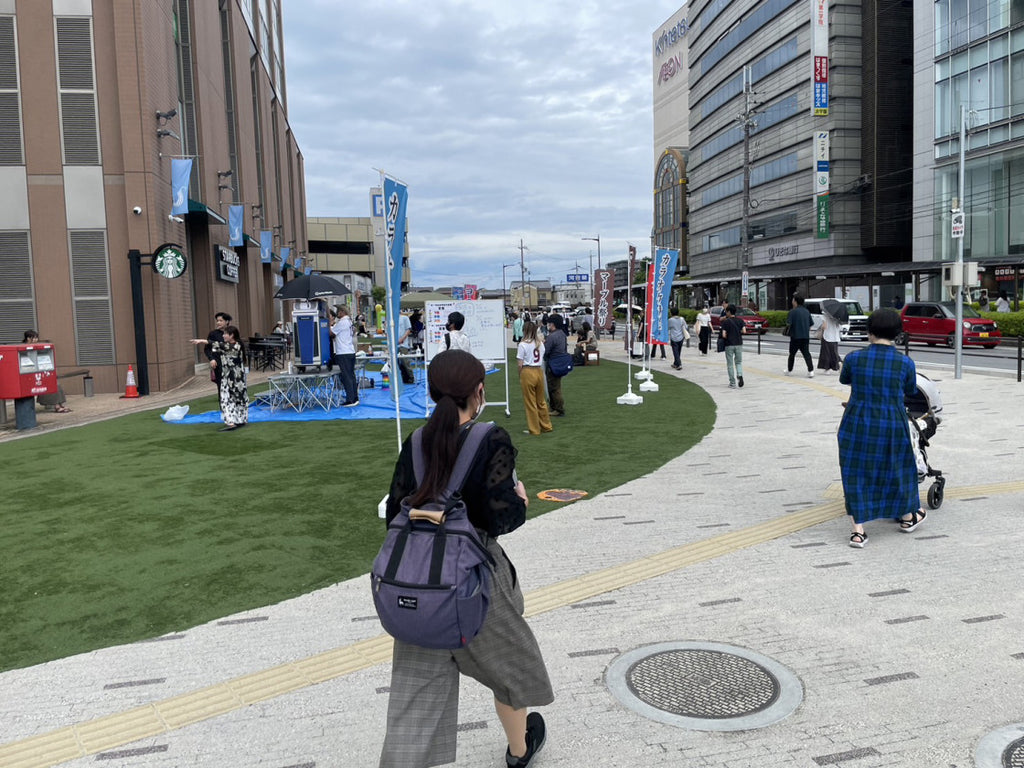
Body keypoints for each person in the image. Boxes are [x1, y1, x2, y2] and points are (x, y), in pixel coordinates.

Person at [379, 350, 553, 767]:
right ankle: (518, 751)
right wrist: (521, 500)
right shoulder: (491, 438)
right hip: (477, 577)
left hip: (418, 581)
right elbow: (502, 516)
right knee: (506, 670)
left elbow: (393, 513)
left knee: (415, 691)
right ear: (478, 392)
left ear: (433, 391)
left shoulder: (416, 441)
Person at [838, 308, 926, 548]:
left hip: (856, 421)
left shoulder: (854, 358)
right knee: (898, 466)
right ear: (897, 333)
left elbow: (844, 379)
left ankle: (858, 532)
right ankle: (908, 516)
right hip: (891, 423)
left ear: (869, 331)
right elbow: (909, 390)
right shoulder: (905, 363)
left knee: (855, 471)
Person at [190, 325, 248, 431]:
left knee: (227, 399)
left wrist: (201, 341)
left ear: (232, 335)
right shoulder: (239, 345)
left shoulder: (231, 346)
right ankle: (240, 420)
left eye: (226, 334)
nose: (224, 335)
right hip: (238, 378)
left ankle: (231, 422)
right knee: (239, 398)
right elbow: (217, 346)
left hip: (230, 378)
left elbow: (215, 344)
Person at [516, 321, 552, 436]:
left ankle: (534, 429)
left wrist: (520, 375)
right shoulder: (540, 343)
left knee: (530, 402)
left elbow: (520, 364)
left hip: (528, 371)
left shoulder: (522, 345)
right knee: (541, 401)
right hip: (539, 371)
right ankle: (546, 426)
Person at [22, 330, 71, 413]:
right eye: (34, 338)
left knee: (56, 384)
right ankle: (56, 406)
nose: (36, 340)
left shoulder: (36, 347)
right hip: (28, 375)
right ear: (28, 338)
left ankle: (60, 404)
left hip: (39, 372)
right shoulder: (23, 348)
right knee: (48, 384)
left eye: (36, 338)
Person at [330, 306, 359, 406]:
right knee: (351, 375)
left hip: (343, 352)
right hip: (350, 351)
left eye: (338, 311)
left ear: (342, 312)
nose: (337, 314)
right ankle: (355, 397)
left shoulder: (342, 322)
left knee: (346, 376)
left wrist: (328, 324)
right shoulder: (349, 322)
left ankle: (350, 399)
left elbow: (331, 333)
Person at [543, 314, 568, 417]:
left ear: (553, 324)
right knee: (555, 386)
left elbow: (546, 351)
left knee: (554, 387)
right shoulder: (562, 334)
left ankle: (558, 409)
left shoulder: (552, 336)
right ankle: (554, 407)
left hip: (553, 363)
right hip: (561, 362)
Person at [786, 295, 814, 378]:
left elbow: (788, 323)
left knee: (792, 354)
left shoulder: (792, 312)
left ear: (795, 302)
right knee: (807, 354)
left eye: (793, 300)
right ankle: (811, 371)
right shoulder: (806, 311)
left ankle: (789, 370)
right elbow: (810, 324)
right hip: (805, 336)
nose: (792, 302)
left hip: (795, 336)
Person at [720, 304, 745, 389]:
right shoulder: (740, 321)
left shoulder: (726, 322)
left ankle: (732, 383)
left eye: (726, 311)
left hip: (729, 344)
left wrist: (728, 336)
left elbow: (723, 335)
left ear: (729, 312)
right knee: (738, 362)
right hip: (738, 343)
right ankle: (740, 374)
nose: (726, 313)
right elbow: (744, 331)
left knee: (730, 364)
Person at [204, 311, 231, 389]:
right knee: (221, 386)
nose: (218, 323)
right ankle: (222, 400)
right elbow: (207, 349)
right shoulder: (213, 334)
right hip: (218, 364)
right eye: (217, 321)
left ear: (227, 321)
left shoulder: (232, 332)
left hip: (231, 364)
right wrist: (211, 359)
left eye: (221, 320)